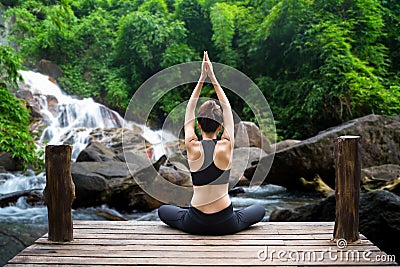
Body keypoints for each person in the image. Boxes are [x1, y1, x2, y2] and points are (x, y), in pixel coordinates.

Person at [158, 51, 265, 235]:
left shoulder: (192, 145)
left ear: (198, 124)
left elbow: (190, 109)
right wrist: (213, 78)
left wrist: (201, 79)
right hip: (226, 222)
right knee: (260, 210)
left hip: (194, 222)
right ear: (221, 126)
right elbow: (227, 107)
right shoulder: (226, 145)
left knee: (163, 210)